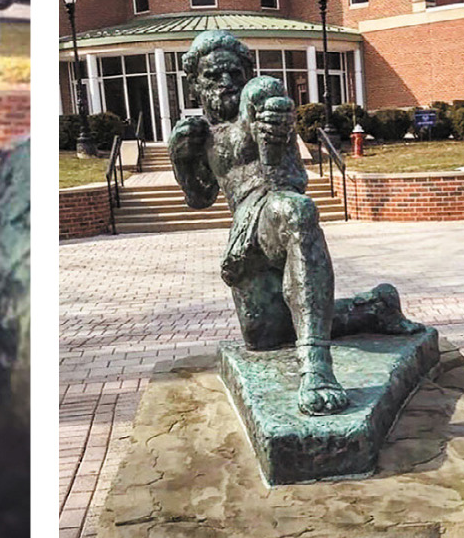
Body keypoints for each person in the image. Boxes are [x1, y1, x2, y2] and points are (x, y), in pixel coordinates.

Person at [170, 30, 421, 415]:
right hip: (243, 242)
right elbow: (198, 200)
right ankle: (374, 308)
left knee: (296, 211)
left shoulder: (257, 99)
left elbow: (276, 144)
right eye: (213, 77)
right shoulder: (202, 136)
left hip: (273, 210)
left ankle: (316, 367)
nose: (225, 84)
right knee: (265, 337)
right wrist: (181, 161)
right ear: (195, 86)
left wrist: (273, 117)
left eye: (233, 74)